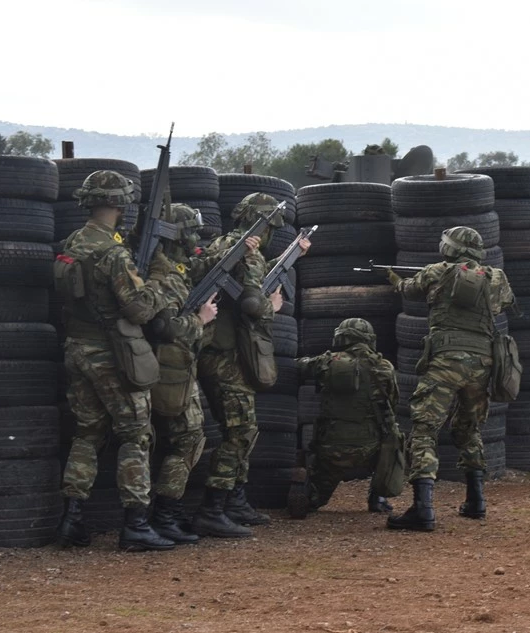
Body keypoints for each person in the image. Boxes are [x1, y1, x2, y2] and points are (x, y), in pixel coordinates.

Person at [53, 170, 174, 551]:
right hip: (111, 354)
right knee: (135, 433)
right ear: (122, 204)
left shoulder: (71, 244)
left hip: (76, 349)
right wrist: (158, 281)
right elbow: (139, 310)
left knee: (88, 433)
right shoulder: (114, 253)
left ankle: (71, 520)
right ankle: (136, 523)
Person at [384, 226, 514, 531]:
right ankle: (476, 501)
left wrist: (392, 278)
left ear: (450, 248)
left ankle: (423, 509)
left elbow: (409, 290)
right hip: (482, 364)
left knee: (425, 430)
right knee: (469, 429)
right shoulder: (497, 277)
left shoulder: (437, 271)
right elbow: (504, 303)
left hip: (445, 360)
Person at [192, 193, 288, 538]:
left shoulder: (223, 244)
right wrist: (272, 307)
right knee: (241, 430)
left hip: (215, 352)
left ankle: (235, 500)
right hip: (224, 353)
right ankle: (213, 507)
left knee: (242, 427)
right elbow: (250, 302)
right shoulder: (246, 252)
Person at [146, 203, 219, 543]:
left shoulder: (174, 269)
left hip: (173, 366)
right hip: (170, 368)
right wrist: (200, 320)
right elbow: (166, 326)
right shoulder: (166, 276)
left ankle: (164, 515)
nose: (196, 239)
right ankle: (165, 515)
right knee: (189, 439)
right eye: (191, 231)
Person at [289, 318, 400, 518]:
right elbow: (392, 402)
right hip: (371, 448)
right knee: (393, 441)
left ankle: (311, 496)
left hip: (332, 449)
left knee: (315, 497)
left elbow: (297, 366)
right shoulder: (384, 367)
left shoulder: (327, 362)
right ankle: (379, 497)